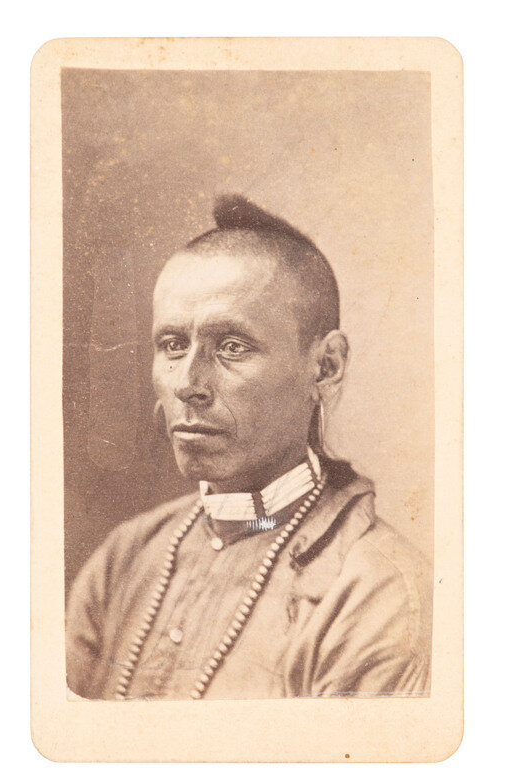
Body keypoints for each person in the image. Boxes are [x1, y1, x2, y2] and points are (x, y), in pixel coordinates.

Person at [66, 195, 432, 701]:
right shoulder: (124, 560)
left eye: (232, 347)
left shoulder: (375, 592)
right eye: (172, 345)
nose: (188, 384)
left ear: (326, 368)